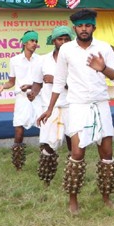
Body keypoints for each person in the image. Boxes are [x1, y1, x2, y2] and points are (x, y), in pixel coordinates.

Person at [38, 9, 114, 214]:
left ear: (94, 27)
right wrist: (49, 109)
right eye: (80, 26)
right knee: (77, 152)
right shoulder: (66, 50)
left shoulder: (104, 48)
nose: (84, 29)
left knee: (107, 153)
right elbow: (59, 81)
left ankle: (106, 196)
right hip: (78, 107)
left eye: (88, 25)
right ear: (75, 28)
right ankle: (73, 198)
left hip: (101, 105)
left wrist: (102, 68)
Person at [30, 26, 75, 186]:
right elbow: (37, 83)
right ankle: (46, 179)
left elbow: (79, 86)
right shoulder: (43, 60)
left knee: (74, 144)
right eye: (60, 39)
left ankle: (73, 178)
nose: (63, 42)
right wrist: (32, 94)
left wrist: (56, 80)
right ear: (53, 41)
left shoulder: (76, 60)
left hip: (72, 106)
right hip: (51, 108)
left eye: (66, 39)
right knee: (49, 145)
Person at [0, 30, 42, 171]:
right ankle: (18, 165)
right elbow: (11, 82)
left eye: (36, 41)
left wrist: (33, 88)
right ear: (25, 42)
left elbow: (43, 80)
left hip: (38, 97)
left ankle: (45, 162)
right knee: (19, 132)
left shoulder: (41, 60)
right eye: (32, 40)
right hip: (22, 99)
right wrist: (2, 87)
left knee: (44, 129)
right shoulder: (14, 60)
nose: (34, 43)